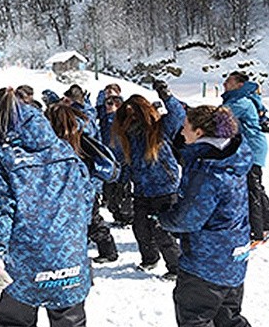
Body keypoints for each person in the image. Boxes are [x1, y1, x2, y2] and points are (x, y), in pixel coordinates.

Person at [0, 88, 103, 327]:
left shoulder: (2, 158)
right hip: (68, 261)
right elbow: (86, 197)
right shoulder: (66, 152)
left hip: (25, 266)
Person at [158, 105, 269, 327]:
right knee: (228, 317)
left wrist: (164, 217)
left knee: (194, 317)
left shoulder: (209, 171)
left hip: (207, 260)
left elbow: (189, 218)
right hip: (232, 256)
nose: (182, 131)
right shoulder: (228, 157)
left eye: (186, 127)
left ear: (200, 132)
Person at [111, 82, 184, 279]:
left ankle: (176, 267)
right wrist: (121, 183)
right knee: (140, 228)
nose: (131, 117)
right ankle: (150, 259)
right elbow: (126, 163)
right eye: (127, 114)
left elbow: (178, 115)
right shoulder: (127, 136)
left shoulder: (159, 128)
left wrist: (167, 96)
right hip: (142, 189)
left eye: (134, 112)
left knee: (163, 231)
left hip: (165, 188)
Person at [46, 103, 118, 264]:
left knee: (91, 225)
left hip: (79, 192)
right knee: (88, 224)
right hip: (84, 191)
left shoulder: (73, 139)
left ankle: (108, 251)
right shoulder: (79, 135)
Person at [221, 71, 269, 242]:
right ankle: (268, 225)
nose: (224, 84)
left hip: (252, 149)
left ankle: (260, 230)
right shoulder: (236, 99)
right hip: (247, 148)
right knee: (252, 187)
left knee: (252, 188)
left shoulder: (241, 102)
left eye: (229, 81)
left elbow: (218, 117)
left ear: (239, 85)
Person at [99, 94, 134, 225]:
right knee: (109, 193)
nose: (110, 106)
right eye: (108, 103)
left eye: (114, 103)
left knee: (123, 192)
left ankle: (127, 217)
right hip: (108, 161)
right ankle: (118, 216)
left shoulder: (122, 121)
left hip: (122, 161)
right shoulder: (104, 119)